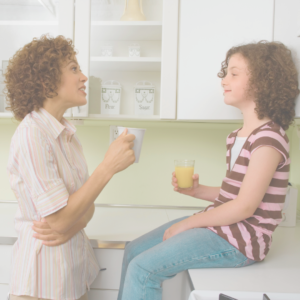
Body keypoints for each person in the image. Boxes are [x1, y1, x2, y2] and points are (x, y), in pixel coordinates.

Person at [116, 41, 300, 300]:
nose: (224, 79)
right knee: (134, 251)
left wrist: (187, 224)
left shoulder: (268, 139)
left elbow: (245, 206)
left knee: (144, 268)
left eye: (235, 74)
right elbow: (234, 195)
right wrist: (197, 191)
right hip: (223, 227)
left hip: (241, 241)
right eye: (226, 72)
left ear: (262, 82)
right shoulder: (238, 136)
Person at [5, 34, 136, 300]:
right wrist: (107, 166)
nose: (84, 77)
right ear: (46, 81)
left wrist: (72, 222)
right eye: (74, 69)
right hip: (42, 283)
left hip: (72, 278)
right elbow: (61, 218)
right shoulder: (33, 134)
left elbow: (86, 210)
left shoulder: (66, 135)